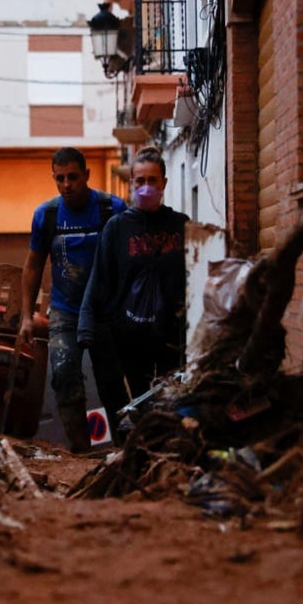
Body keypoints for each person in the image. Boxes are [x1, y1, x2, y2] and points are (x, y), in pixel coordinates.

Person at [19, 147, 127, 453]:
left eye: (73, 177)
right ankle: (82, 452)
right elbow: (33, 266)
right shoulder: (47, 215)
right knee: (65, 377)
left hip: (105, 312)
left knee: (111, 383)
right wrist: (27, 316)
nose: (67, 184)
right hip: (65, 312)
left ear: (87, 175)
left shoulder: (112, 210)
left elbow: (129, 263)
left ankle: (122, 449)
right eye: (60, 178)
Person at [78, 145, 188, 418]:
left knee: (170, 398)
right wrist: (86, 325)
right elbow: (100, 277)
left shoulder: (181, 225)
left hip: (171, 334)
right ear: (131, 183)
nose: (147, 186)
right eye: (140, 180)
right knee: (140, 398)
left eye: (153, 180)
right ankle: (142, 452)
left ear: (164, 183)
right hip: (129, 335)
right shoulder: (117, 228)